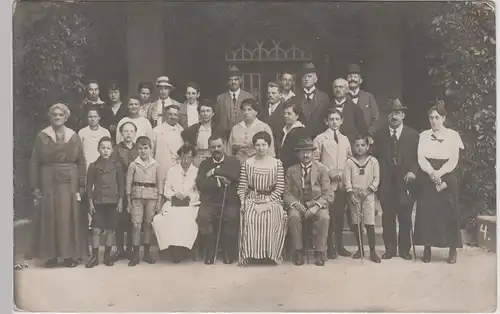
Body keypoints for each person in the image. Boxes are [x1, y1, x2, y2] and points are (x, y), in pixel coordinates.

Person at [30, 103, 88, 268]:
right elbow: (35, 161)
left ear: (66, 117)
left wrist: (82, 183)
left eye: (60, 115)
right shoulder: (42, 136)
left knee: (68, 216)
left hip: (70, 179)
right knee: (50, 215)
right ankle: (51, 256)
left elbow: (81, 161)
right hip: (48, 179)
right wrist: (35, 185)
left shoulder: (73, 136)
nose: (57, 117)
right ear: (50, 117)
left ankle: (70, 256)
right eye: (54, 115)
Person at [414, 101, 464, 264]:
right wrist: (431, 173)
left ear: (443, 118)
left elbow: (454, 159)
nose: (434, 121)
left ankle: (452, 249)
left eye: (437, 117)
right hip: (428, 174)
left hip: (447, 173)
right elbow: (421, 157)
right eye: (431, 118)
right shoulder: (423, 135)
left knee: (450, 211)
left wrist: (440, 173)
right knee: (427, 212)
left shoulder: (453, 135)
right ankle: (427, 248)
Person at [372, 99, 418, 260]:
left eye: (398, 113)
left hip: (405, 182)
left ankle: (405, 249)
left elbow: (417, 158)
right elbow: (374, 158)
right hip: (387, 182)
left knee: (405, 216)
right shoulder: (380, 134)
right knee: (387, 217)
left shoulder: (412, 135)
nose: (394, 116)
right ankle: (390, 249)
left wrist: (413, 172)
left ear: (403, 115)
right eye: (391, 113)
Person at [237, 131, 287, 265]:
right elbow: (242, 186)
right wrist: (243, 201)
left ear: (268, 146)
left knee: (271, 217)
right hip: (252, 198)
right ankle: (250, 254)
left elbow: (280, 188)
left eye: (264, 145)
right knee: (250, 216)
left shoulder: (276, 163)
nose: (260, 148)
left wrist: (267, 200)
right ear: (254, 146)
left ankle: (269, 254)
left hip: (271, 199)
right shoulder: (248, 163)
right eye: (258, 145)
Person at [284, 138, 334, 266]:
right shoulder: (291, 170)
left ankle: (319, 252)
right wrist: (294, 203)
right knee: (293, 216)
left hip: (316, 204)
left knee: (324, 217)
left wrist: (316, 206)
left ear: (313, 154)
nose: (305, 155)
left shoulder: (322, 170)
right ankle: (298, 251)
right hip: (298, 204)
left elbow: (328, 193)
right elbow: (286, 192)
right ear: (298, 154)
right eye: (302, 152)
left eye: (308, 152)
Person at [313, 109, 353, 259]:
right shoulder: (320, 138)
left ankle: (340, 245)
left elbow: (349, 159)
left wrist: (346, 174)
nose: (334, 122)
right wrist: (328, 171)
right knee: (327, 215)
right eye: (331, 119)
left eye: (337, 119)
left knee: (339, 215)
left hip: (341, 182)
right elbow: (314, 159)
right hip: (327, 182)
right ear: (326, 121)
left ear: (341, 121)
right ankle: (329, 246)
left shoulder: (345, 139)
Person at [196, 133, 241, 264]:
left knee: (232, 217)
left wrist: (214, 172)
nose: (216, 149)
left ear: (224, 146)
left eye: (219, 146)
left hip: (229, 200)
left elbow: (233, 174)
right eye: (213, 147)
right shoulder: (205, 164)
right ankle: (210, 251)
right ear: (209, 148)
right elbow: (201, 183)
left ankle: (228, 251)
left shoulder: (233, 161)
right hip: (210, 201)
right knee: (203, 218)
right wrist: (219, 182)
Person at [85, 137, 125, 268]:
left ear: (112, 150)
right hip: (98, 202)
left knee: (110, 229)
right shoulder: (93, 166)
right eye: (103, 148)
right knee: (95, 229)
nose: (105, 150)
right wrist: (90, 202)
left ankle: (107, 255)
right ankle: (94, 256)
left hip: (113, 201)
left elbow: (121, 184)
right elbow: (89, 185)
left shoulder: (116, 165)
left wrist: (120, 200)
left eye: (108, 148)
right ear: (98, 149)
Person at [157, 144, 200, 263]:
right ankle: (173, 249)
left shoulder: (197, 172)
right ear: (179, 157)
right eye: (183, 157)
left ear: (193, 158)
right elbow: (166, 190)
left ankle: (184, 248)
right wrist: (174, 195)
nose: (186, 161)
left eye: (189, 157)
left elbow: (198, 192)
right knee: (167, 218)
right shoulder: (172, 171)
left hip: (190, 204)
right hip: (173, 203)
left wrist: (188, 197)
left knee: (186, 219)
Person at [126, 136, 162, 266]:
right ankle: (135, 254)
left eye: (145, 148)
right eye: (140, 148)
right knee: (136, 225)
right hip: (137, 197)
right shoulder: (133, 165)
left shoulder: (155, 165)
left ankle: (146, 253)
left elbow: (159, 183)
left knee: (148, 224)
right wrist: (128, 201)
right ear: (137, 150)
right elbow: (128, 183)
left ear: (150, 149)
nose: (143, 151)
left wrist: (158, 200)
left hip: (151, 197)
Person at [345, 135, 381, 263]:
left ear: (367, 146)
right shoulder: (349, 162)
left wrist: (368, 190)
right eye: (357, 145)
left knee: (369, 222)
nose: (360, 148)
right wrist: (351, 193)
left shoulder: (373, 161)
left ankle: (372, 251)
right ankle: (360, 248)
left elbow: (376, 179)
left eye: (362, 145)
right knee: (356, 222)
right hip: (354, 195)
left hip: (368, 195)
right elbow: (347, 180)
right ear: (353, 147)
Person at [110, 121, 138, 260]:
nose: (128, 134)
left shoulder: (138, 149)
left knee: (133, 219)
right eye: (125, 131)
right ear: (121, 133)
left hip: (134, 187)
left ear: (135, 133)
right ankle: (120, 248)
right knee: (119, 219)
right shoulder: (116, 149)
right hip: (120, 185)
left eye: (131, 131)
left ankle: (131, 248)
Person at [228, 98, 275, 163]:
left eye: (249, 109)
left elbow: (270, 150)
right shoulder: (235, 128)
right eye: (244, 110)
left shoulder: (264, 127)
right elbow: (229, 150)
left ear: (256, 112)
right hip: (238, 164)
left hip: (258, 164)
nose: (246, 112)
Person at [181, 99, 225, 167]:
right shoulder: (192, 130)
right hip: (197, 163)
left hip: (214, 161)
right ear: (199, 113)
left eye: (208, 111)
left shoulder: (219, 130)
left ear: (213, 113)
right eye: (203, 111)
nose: (205, 114)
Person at [214, 65, 255, 136]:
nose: (233, 82)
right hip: (225, 136)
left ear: (240, 80)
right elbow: (217, 119)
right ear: (227, 81)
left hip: (244, 134)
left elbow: (254, 117)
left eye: (236, 79)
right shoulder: (220, 98)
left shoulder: (249, 97)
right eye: (230, 80)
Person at [152, 104, 184, 193]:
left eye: (176, 115)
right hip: (161, 169)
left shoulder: (182, 131)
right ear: (165, 115)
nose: (173, 117)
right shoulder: (156, 131)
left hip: (177, 169)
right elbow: (151, 153)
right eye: (170, 114)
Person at [287, 63, 330, 128]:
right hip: (300, 135)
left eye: (309, 76)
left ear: (315, 79)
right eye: (304, 77)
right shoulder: (295, 99)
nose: (306, 79)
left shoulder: (324, 97)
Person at [347, 64, 380, 136]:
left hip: (365, 139)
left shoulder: (368, 97)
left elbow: (376, 119)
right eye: (350, 77)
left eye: (355, 77)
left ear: (360, 80)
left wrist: (369, 134)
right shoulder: (342, 97)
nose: (352, 79)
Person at [277, 101, 308, 171]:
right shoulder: (282, 130)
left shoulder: (302, 132)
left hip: (294, 169)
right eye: (284, 113)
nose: (286, 116)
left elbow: (300, 154)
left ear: (297, 116)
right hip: (281, 168)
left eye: (289, 114)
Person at [78, 106, 111, 171]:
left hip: (102, 166)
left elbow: (109, 150)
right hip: (87, 165)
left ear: (99, 117)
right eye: (90, 117)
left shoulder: (105, 132)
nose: (93, 119)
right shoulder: (82, 132)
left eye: (95, 116)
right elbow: (79, 151)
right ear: (87, 118)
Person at [260, 82, 287, 152]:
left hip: (279, 148)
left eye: (273, 93)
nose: (270, 95)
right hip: (263, 148)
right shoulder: (262, 109)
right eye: (269, 93)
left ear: (280, 95)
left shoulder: (285, 110)